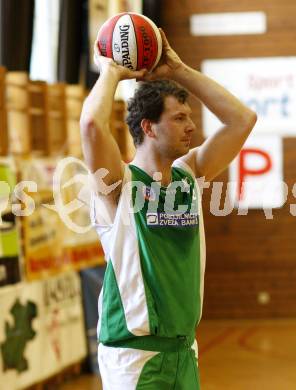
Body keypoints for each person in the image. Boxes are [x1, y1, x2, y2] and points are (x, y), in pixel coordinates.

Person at [80, 28, 257, 390]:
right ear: (149, 127)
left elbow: (242, 120)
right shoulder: (118, 183)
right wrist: (111, 70)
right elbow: (91, 125)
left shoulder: (188, 175)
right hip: (134, 356)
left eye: (189, 116)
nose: (192, 126)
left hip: (182, 349)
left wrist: (177, 69)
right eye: (179, 118)